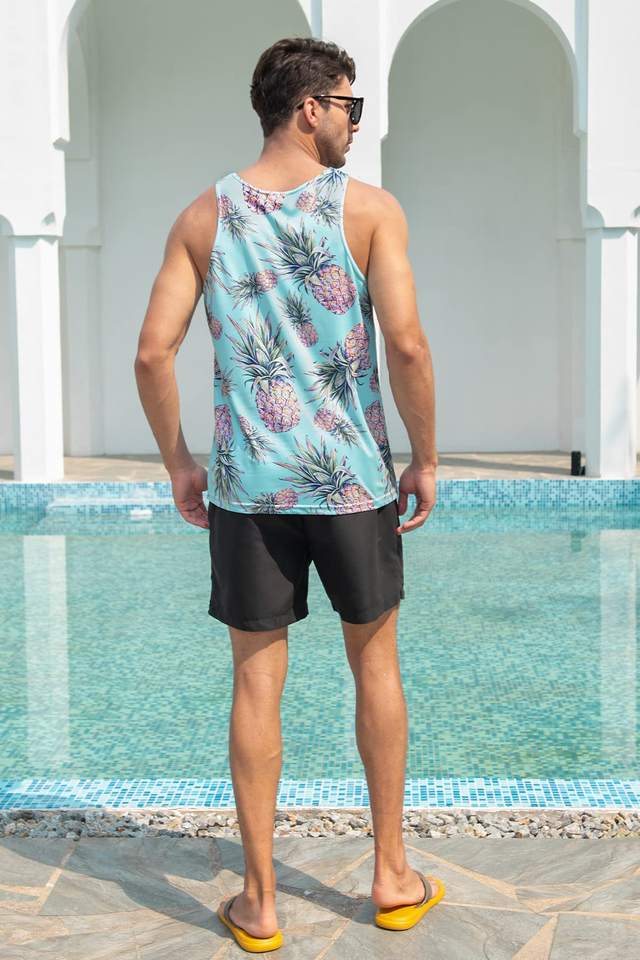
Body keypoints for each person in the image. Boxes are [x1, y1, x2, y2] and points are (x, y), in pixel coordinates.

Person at [134, 35, 440, 954]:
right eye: (349, 105)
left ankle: (260, 902)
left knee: (254, 686)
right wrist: (425, 458)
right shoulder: (370, 211)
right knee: (375, 668)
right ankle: (391, 877)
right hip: (352, 483)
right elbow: (408, 345)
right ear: (310, 108)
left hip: (249, 492)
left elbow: (152, 353)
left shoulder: (204, 216)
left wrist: (179, 463)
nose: (355, 123)